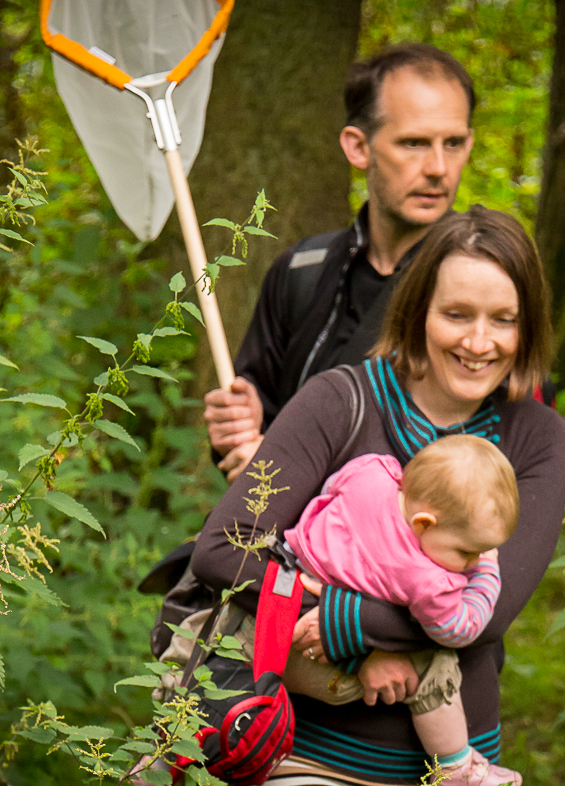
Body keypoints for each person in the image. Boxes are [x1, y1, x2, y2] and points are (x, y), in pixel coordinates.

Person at [191, 206, 565, 786]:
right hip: (303, 761)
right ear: (417, 308)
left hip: (451, 779)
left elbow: (485, 616)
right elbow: (225, 547)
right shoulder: (339, 401)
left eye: (504, 320)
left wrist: (350, 617)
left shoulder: (537, 437)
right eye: (457, 315)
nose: (481, 343)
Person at [204, 44, 476, 482]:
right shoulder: (302, 272)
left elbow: (490, 471)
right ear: (357, 147)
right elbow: (250, 447)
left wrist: (280, 468)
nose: (438, 168)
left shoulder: (483, 283)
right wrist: (241, 426)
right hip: (279, 543)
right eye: (414, 143)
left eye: (454, 143)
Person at [283, 436, 523, 786]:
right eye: (467, 550)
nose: (473, 561)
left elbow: (333, 485)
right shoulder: (427, 581)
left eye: (480, 553)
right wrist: (488, 572)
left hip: (280, 596)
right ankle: (453, 769)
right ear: (424, 523)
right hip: (307, 650)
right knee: (435, 663)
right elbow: (459, 630)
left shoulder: (371, 471)